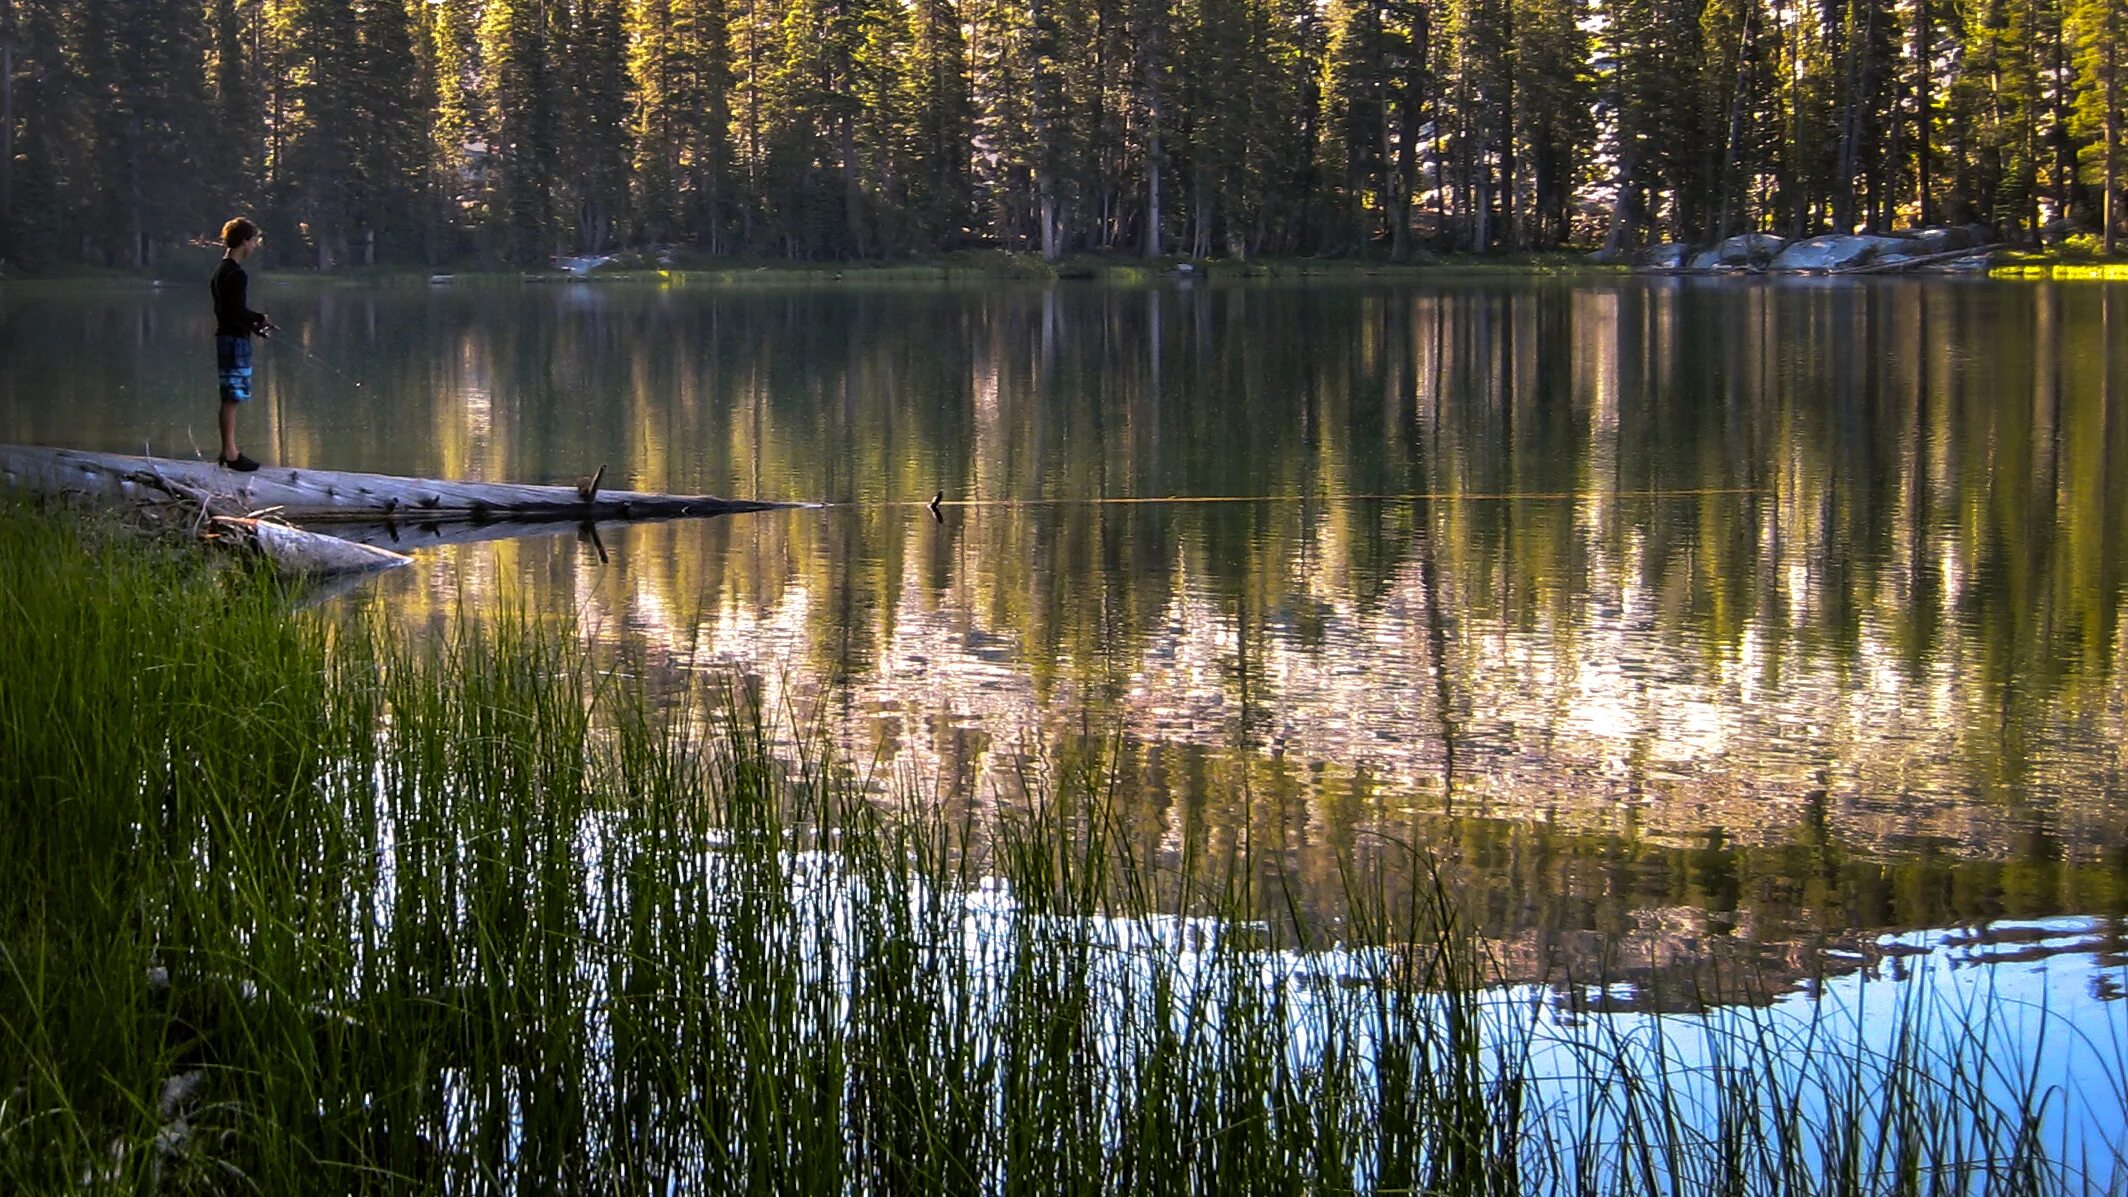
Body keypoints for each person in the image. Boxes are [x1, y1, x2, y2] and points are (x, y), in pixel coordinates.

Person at [210, 217, 274, 471]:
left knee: (231, 396)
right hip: (234, 342)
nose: (255, 245)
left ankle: (229, 450)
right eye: (254, 240)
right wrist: (260, 318)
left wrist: (253, 327)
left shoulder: (221, 270)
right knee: (232, 397)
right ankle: (231, 453)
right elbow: (236, 310)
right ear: (244, 241)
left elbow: (227, 312)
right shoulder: (236, 273)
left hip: (229, 336)